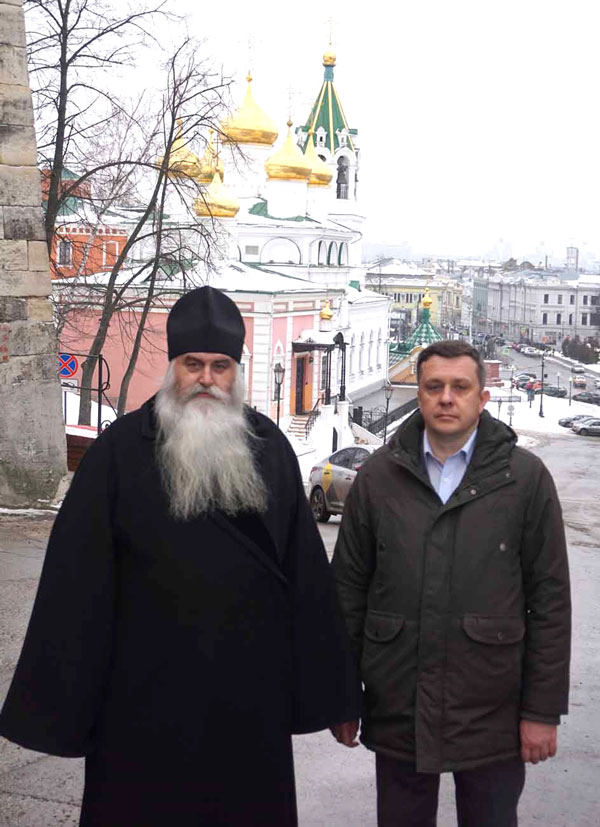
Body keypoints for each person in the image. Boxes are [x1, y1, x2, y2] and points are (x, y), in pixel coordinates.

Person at [0, 286, 360, 827]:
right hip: (142, 701)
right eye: (193, 364)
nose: (206, 379)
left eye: (220, 366)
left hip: (248, 702)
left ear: (236, 372)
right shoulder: (118, 453)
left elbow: (307, 579)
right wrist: (61, 707)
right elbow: (76, 586)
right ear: (174, 367)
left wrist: (336, 694)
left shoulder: (270, 449)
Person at [331, 340, 571, 827]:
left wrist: (542, 711)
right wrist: (340, 696)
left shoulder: (524, 480)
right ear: (418, 394)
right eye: (434, 386)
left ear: (482, 398)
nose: (446, 398)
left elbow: (550, 603)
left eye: (460, 387)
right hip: (398, 706)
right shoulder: (379, 478)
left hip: (493, 714)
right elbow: (347, 595)